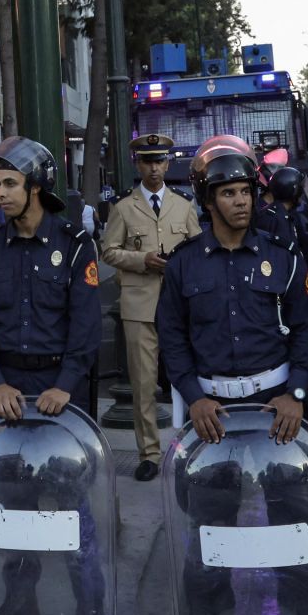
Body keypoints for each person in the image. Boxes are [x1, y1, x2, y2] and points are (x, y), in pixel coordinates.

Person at [155, 145, 308, 615]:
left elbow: (305, 333)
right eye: (228, 193)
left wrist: (298, 395)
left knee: (297, 515)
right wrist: (194, 397)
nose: (240, 202)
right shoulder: (183, 266)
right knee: (208, 519)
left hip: (276, 410)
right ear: (207, 199)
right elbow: (172, 339)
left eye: (246, 191)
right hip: (213, 413)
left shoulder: (284, 259)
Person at [0, 136, 107, 615]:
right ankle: (19, 602)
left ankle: (92, 605)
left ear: (37, 186)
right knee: (15, 504)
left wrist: (65, 385)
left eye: (8, 184)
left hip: (60, 395)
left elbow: (87, 326)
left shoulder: (73, 244)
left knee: (71, 504)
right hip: (8, 393)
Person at [101, 132, 201, 482]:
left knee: (188, 378)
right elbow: (109, 251)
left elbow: (199, 250)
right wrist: (143, 259)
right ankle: (149, 454)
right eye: (147, 161)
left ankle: (192, 447)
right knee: (144, 385)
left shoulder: (184, 205)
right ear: (137, 164)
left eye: (159, 161)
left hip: (179, 306)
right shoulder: (123, 208)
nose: (154, 168)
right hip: (139, 306)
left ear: (168, 163)